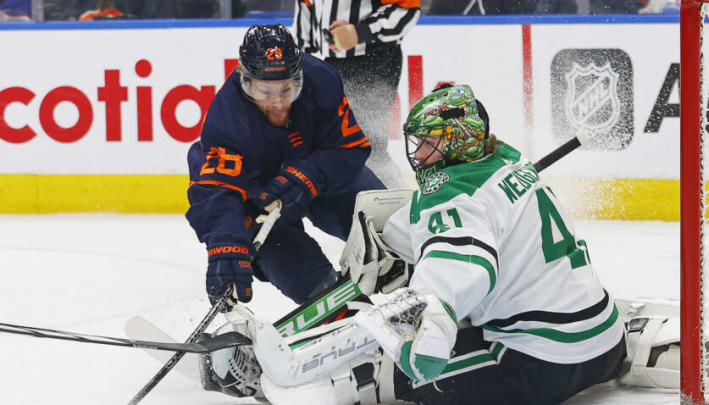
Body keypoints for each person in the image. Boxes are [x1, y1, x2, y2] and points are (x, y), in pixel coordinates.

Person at [223, 83, 627, 405]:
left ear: (457, 140)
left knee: (389, 368)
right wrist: (397, 239)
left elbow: (460, 270)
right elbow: (468, 230)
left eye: (430, 141)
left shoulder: (452, 198)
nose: (420, 152)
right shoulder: (507, 162)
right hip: (605, 341)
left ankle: (281, 379)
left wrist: (429, 328)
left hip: (539, 364)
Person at [185, 25, 384, 314]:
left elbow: (349, 146)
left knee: (389, 230)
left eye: (287, 89)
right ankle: (344, 316)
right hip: (262, 205)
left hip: (326, 181)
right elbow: (217, 190)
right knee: (311, 281)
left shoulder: (322, 80)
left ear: (300, 78)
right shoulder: (226, 118)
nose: (277, 102)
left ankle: (439, 294)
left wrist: (311, 174)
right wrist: (225, 243)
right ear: (245, 80)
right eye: (265, 91)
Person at [293, 0, 421, 189]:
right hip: (332, 64)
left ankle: (393, 202)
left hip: (374, 59)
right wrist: (301, 59)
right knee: (333, 142)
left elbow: (407, 8)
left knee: (367, 145)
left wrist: (360, 32)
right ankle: (355, 202)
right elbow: (306, 10)